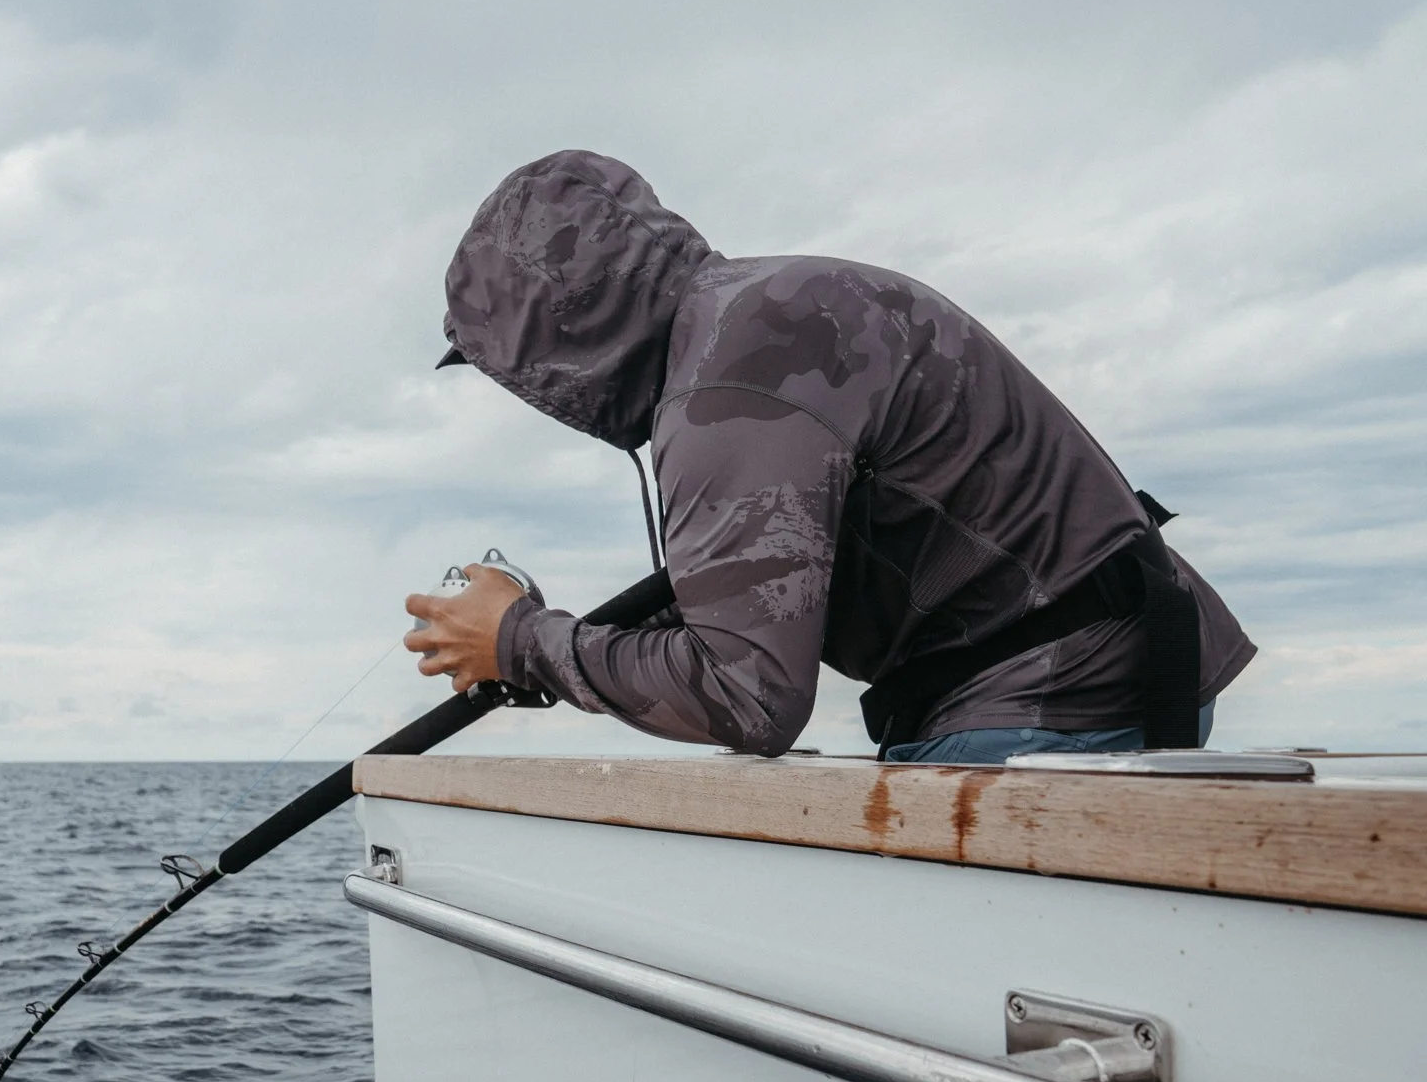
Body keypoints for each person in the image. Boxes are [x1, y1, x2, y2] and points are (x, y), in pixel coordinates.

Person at [403, 150, 1253, 763]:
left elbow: (748, 696)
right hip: (1121, 666)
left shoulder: (724, 393)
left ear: (550, 347)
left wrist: (520, 641)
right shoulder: (760, 314)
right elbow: (767, 595)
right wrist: (557, 640)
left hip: (1059, 702)